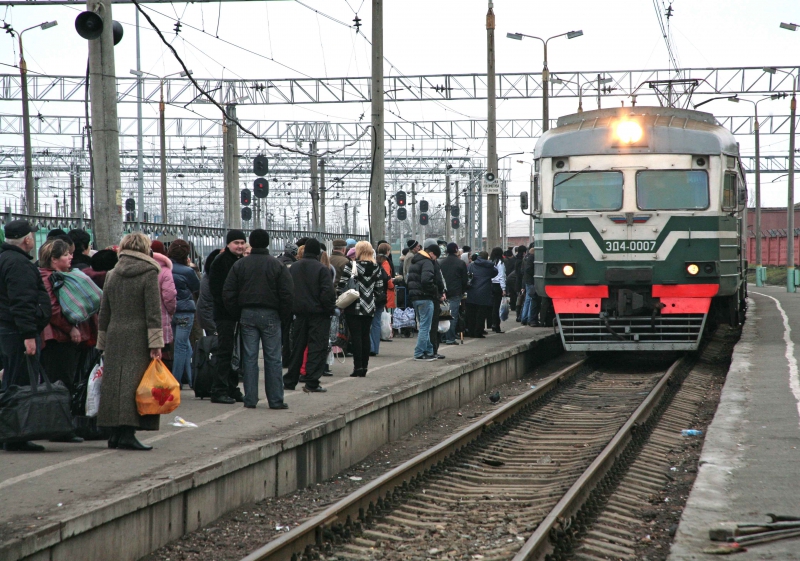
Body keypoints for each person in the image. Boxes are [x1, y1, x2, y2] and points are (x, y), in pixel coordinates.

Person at [97, 232, 164, 451]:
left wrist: (102, 341)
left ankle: (114, 433)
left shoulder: (112, 274)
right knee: (134, 383)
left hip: (115, 332)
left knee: (114, 383)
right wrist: (156, 344)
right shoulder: (149, 272)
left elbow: (104, 310)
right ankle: (127, 433)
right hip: (138, 334)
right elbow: (153, 311)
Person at [223, 229, 293, 409]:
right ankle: (276, 400)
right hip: (271, 315)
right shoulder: (277, 265)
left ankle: (251, 399)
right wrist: (284, 317)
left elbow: (228, 292)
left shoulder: (240, 265)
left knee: (249, 357)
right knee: (273, 358)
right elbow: (287, 293)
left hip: (247, 314)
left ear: (251, 244)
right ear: (268, 243)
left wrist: (237, 313)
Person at [38, 239, 99, 444]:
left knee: (65, 380)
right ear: (54, 259)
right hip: (57, 338)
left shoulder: (61, 275)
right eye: (65, 255)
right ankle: (60, 429)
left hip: (62, 337)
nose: (70, 257)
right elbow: (53, 310)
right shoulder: (47, 279)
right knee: (61, 382)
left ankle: (62, 426)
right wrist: (70, 327)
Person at [0, 220, 51, 452]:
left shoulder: (4, 259)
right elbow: (22, 303)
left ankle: (11, 433)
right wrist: (29, 335)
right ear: (27, 239)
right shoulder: (18, 264)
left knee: (11, 380)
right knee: (19, 383)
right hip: (18, 332)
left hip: (9, 330)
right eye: (32, 235)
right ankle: (15, 435)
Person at [285, 238, 336, 391]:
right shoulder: (322, 269)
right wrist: (330, 309)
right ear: (318, 252)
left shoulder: (293, 268)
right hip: (319, 315)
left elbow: (287, 290)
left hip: (299, 314)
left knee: (298, 348)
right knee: (317, 348)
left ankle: (289, 380)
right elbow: (327, 293)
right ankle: (312, 381)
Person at [208, 230, 247, 404]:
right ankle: (219, 390)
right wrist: (232, 308)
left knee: (234, 354)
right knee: (225, 352)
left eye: (242, 243)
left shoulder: (239, 261)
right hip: (225, 315)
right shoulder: (221, 262)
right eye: (236, 243)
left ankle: (232, 388)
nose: (239, 246)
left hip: (235, 314)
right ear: (228, 244)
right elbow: (217, 290)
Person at [338, 241, 384, 376]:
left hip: (353, 306)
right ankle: (364, 368)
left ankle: (357, 368)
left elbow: (341, 285)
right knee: (365, 336)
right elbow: (380, 288)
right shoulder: (376, 267)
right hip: (369, 307)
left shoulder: (351, 265)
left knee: (356, 337)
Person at [169, 240, 200, 387]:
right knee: (181, 346)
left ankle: (192, 377)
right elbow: (196, 287)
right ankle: (176, 381)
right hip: (185, 312)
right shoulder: (188, 271)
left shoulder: (163, 269)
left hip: (170, 311)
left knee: (184, 344)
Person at [407, 239, 438, 361]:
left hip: (415, 297)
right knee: (425, 326)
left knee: (425, 325)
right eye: (436, 256)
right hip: (425, 297)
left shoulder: (415, 261)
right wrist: (434, 289)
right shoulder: (427, 262)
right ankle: (419, 353)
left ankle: (429, 350)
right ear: (432, 253)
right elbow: (426, 280)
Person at [150, 245, 177, 366]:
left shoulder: (145, 268)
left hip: (143, 320)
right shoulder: (165, 271)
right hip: (162, 318)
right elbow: (169, 295)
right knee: (163, 353)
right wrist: (171, 311)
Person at [440, 242, 468, 345]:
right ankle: (450, 338)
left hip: (444, 293)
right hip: (456, 292)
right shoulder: (460, 263)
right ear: (456, 250)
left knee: (443, 315)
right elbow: (464, 280)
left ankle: (442, 337)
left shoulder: (441, 262)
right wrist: (462, 291)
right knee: (453, 316)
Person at [465, 251, 497, 338]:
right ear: (487, 257)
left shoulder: (471, 265)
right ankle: (478, 332)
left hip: (472, 292)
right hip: (484, 292)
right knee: (481, 314)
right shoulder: (490, 267)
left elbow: (467, 275)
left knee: (472, 314)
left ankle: (471, 331)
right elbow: (495, 273)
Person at [424, 240, 447, 359]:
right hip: (432, 297)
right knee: (432, 326)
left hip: (424, 297)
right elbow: (437, 279)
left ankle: (428, 350)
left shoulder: (421, 261)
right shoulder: (431, 263)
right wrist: (440, 292)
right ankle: (432, 350)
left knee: (426, 326)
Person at [376, 243, 396, 345]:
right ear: (387, 251)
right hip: (387, 291)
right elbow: (387, 277)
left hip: (378, 290)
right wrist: (393, 283)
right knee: (384, 314)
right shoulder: (386, 262)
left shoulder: (376, 259)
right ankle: (385, 334)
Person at [197, 249, 220, 335]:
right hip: (211, 320)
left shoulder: (209, 277)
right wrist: (214, 328)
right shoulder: (210, 280)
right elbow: (206, 305)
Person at [520, 246, 541, 327]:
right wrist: (535, 274)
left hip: (527, 281)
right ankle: (529, 318)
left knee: (527, 300)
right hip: (531, 281)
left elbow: (522, 271)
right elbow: (528, 270)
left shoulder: (525, 258)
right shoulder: (532, 258)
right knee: (531, 299)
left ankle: (524, 318)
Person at [489, 247, 507, 334]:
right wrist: (503, 288)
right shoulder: (500, 263)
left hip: (490, 285)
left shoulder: (490, 262)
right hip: (498, 286)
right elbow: (501, 276)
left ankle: (492, 324)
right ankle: (497, 326)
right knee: (497, 307)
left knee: (492, 307)